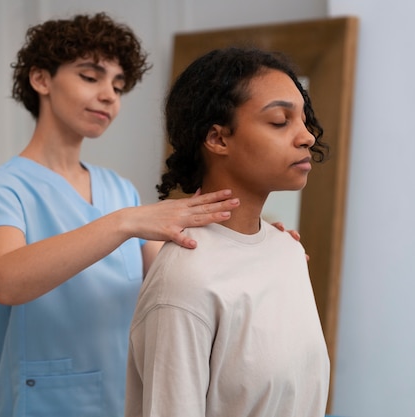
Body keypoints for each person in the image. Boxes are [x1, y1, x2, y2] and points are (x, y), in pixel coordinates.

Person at [0, 13, 241, 417]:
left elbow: (170, 281)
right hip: (41, 402)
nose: (110, 95)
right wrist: (123, 223)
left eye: (118, 86)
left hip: (124, 396)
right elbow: (4, 280)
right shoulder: (5, 186)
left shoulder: (119, 189)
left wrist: (249, 244)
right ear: (41, 80)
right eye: (91, 77)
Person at [125, 47, 331, 417]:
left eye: (304, 120)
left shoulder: (287, 252)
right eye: (281, 121)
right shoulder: (185, 279)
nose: (307, 138)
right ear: (218, 139)